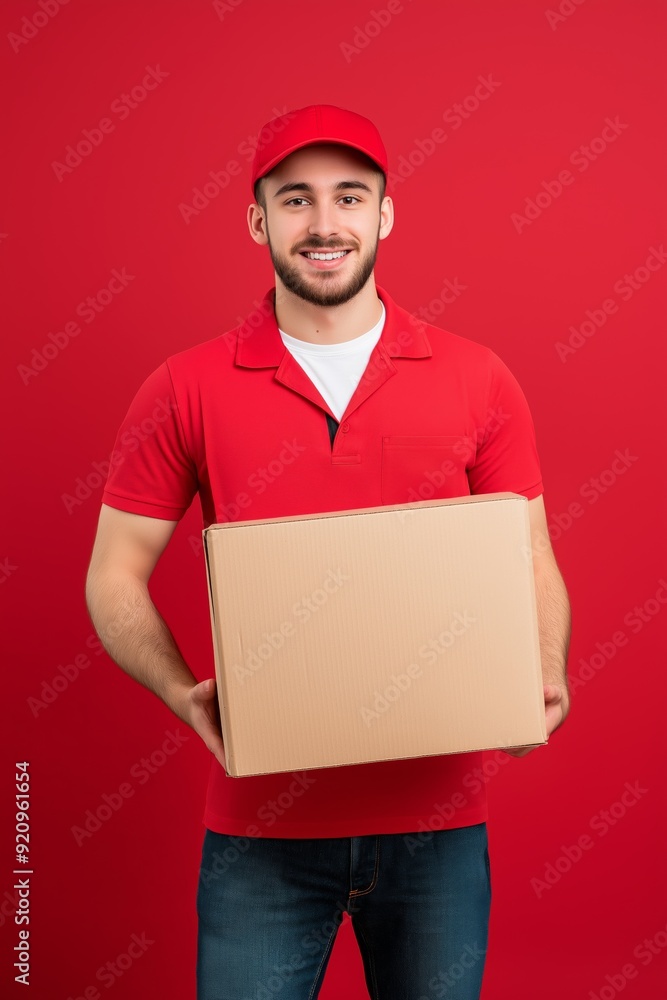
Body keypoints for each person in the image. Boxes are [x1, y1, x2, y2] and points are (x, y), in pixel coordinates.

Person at [85, 104, 571, 1000]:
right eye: (295, 199)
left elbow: (527, 551)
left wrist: (543, 673)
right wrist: (178, 689)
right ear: (257, 219)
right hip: (259, 832)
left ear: (384, 214)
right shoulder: (184, 386)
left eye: (349, 197)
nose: (323, 223)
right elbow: (112, 573)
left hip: (437, 824)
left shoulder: (477, 376)